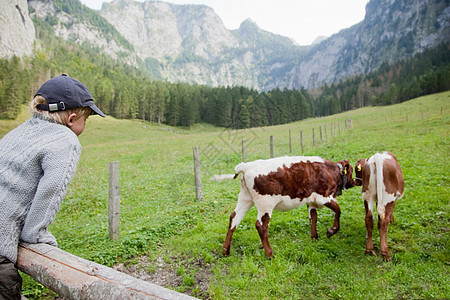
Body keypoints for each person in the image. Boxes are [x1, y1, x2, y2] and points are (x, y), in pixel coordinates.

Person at [0, 74, 105, 299]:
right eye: (87, 118)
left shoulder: (21, 131)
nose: (85, 124)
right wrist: (36, 234)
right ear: (72, 118)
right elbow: (50, 191)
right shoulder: (65, 141)